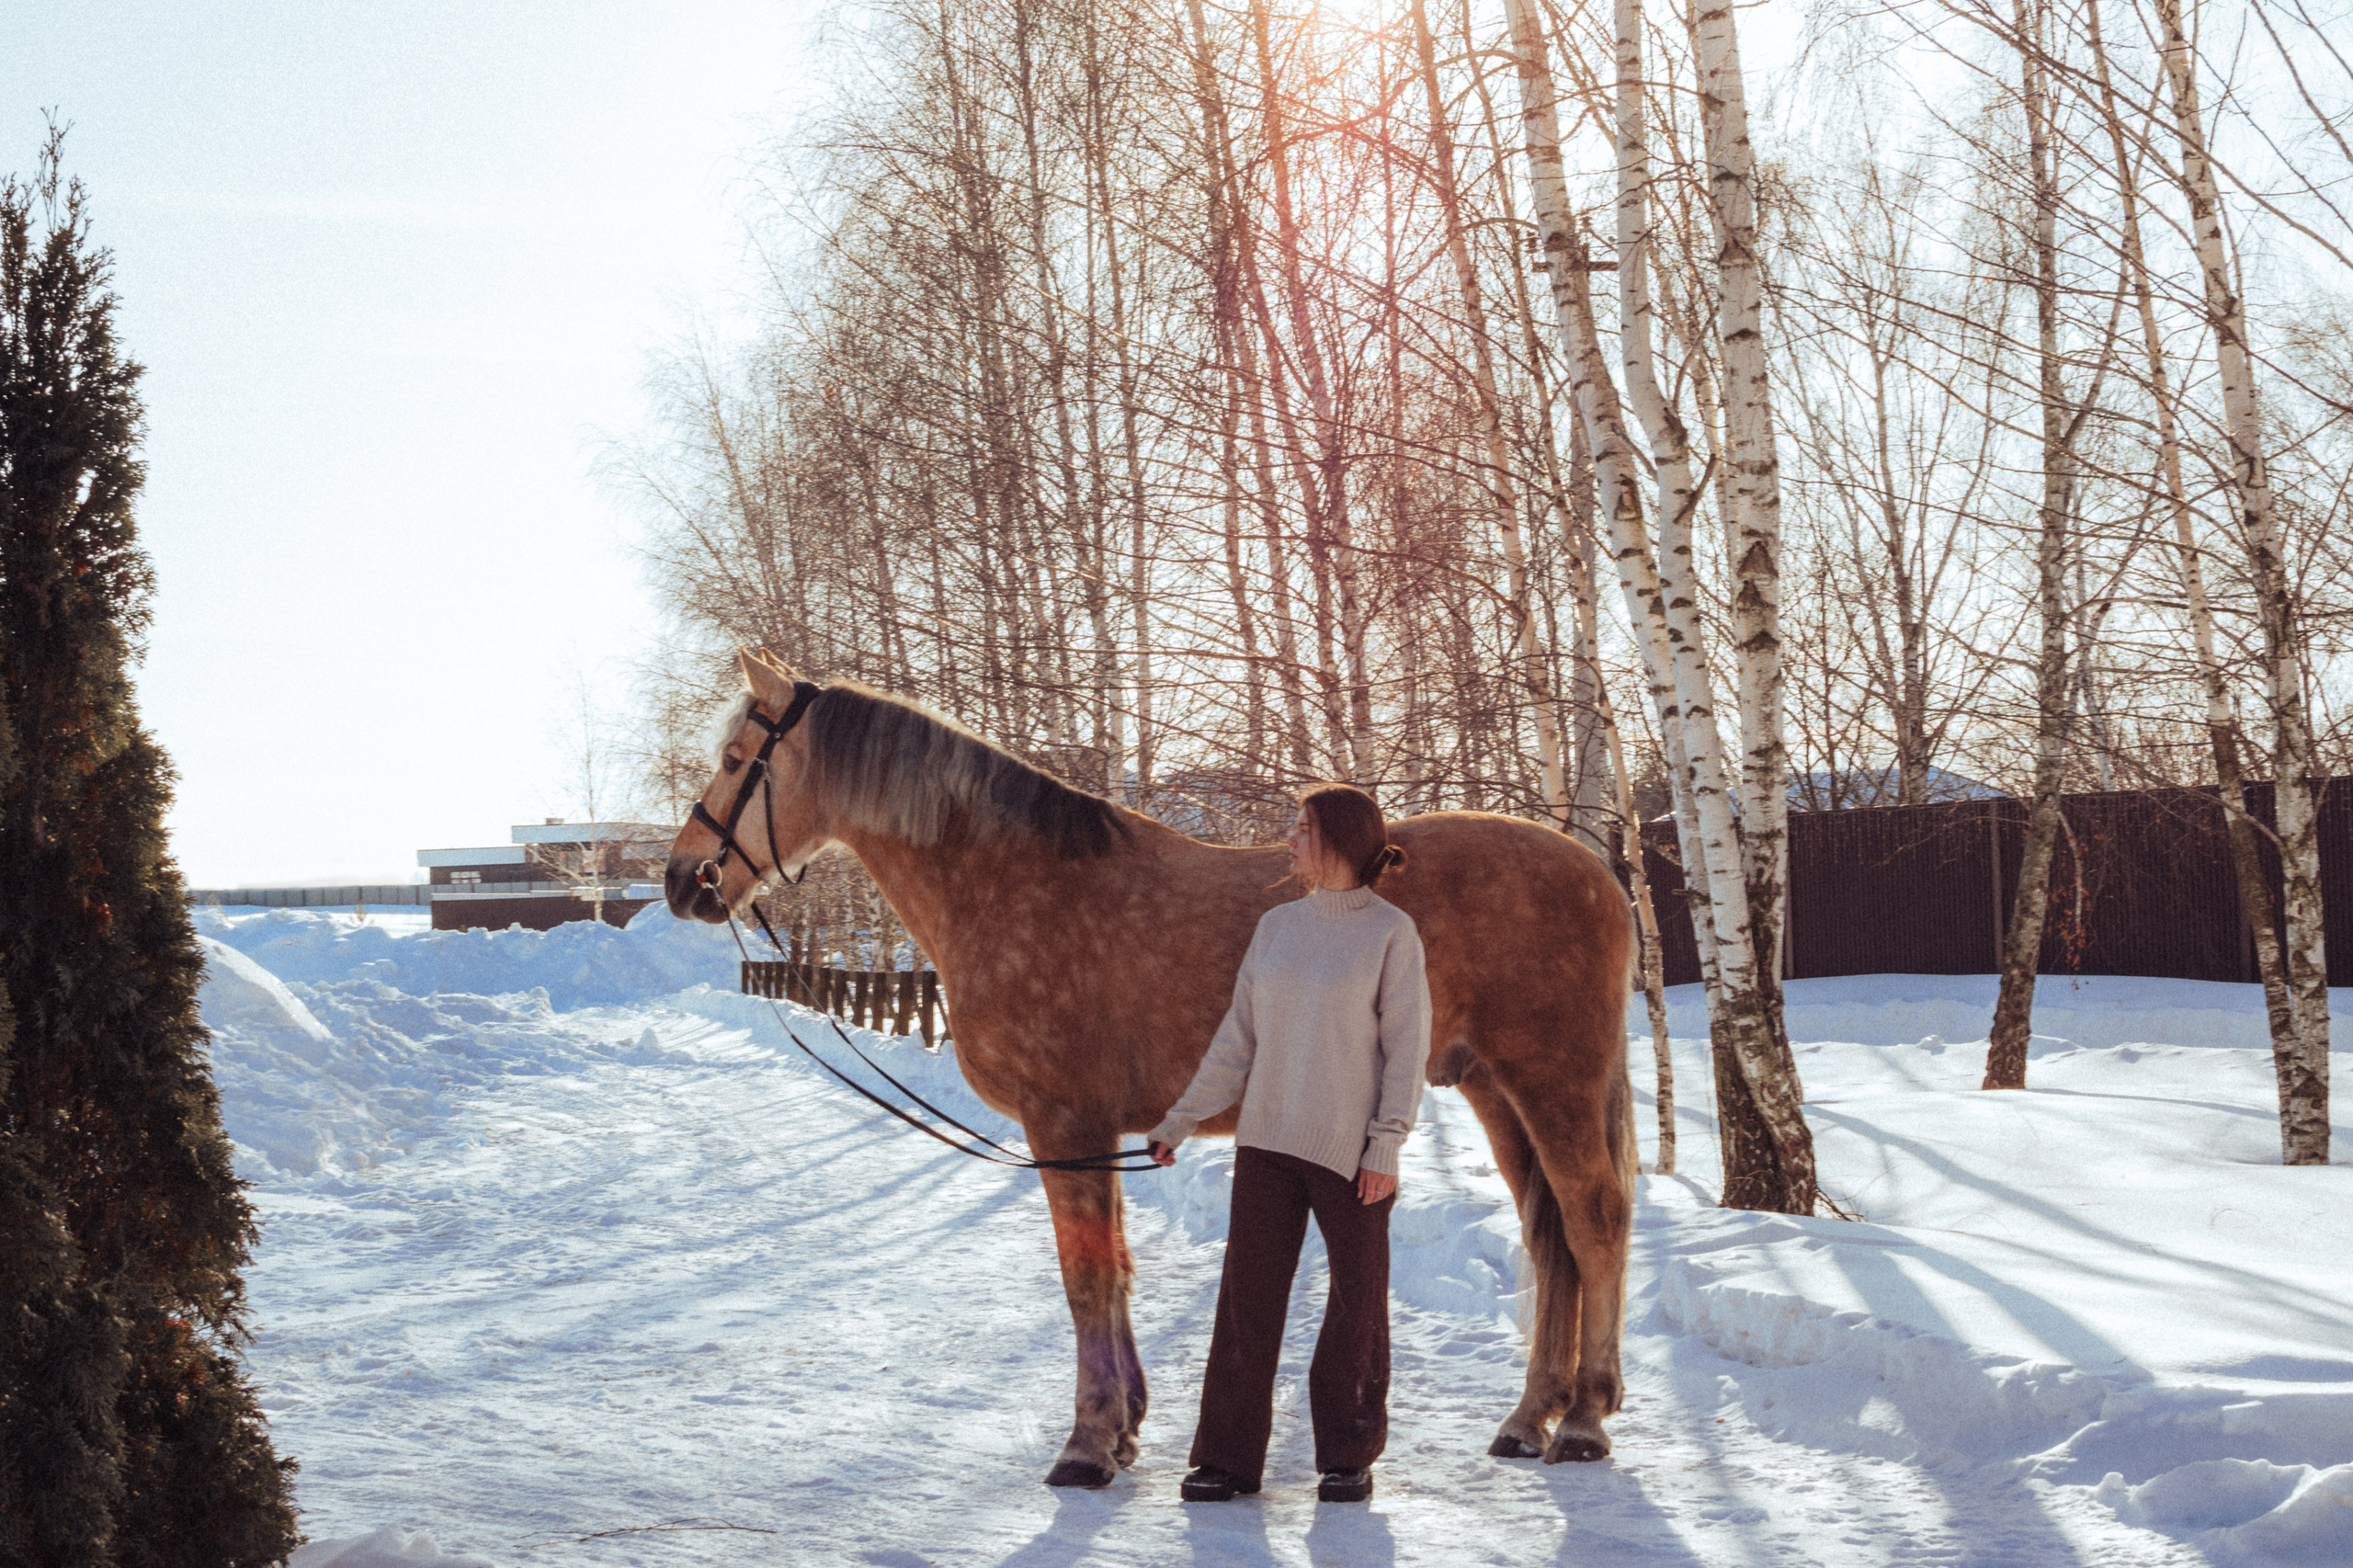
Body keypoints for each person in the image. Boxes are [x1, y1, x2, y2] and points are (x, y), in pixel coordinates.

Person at [1146, 783, 1432, 1506]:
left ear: (1339, 838)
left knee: (1354, 1304)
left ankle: (1346, 1454)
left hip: (1351, 1151)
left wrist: (1386, 1144)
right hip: (1267, 1141)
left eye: (1302, 829)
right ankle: (1227, 1459)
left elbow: (1406, 1051)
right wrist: (1179, 1119)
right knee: (1247, 1301)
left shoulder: (1390, 932)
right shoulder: (1276, 926)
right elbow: (1237, 1039)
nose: (1290, 841)